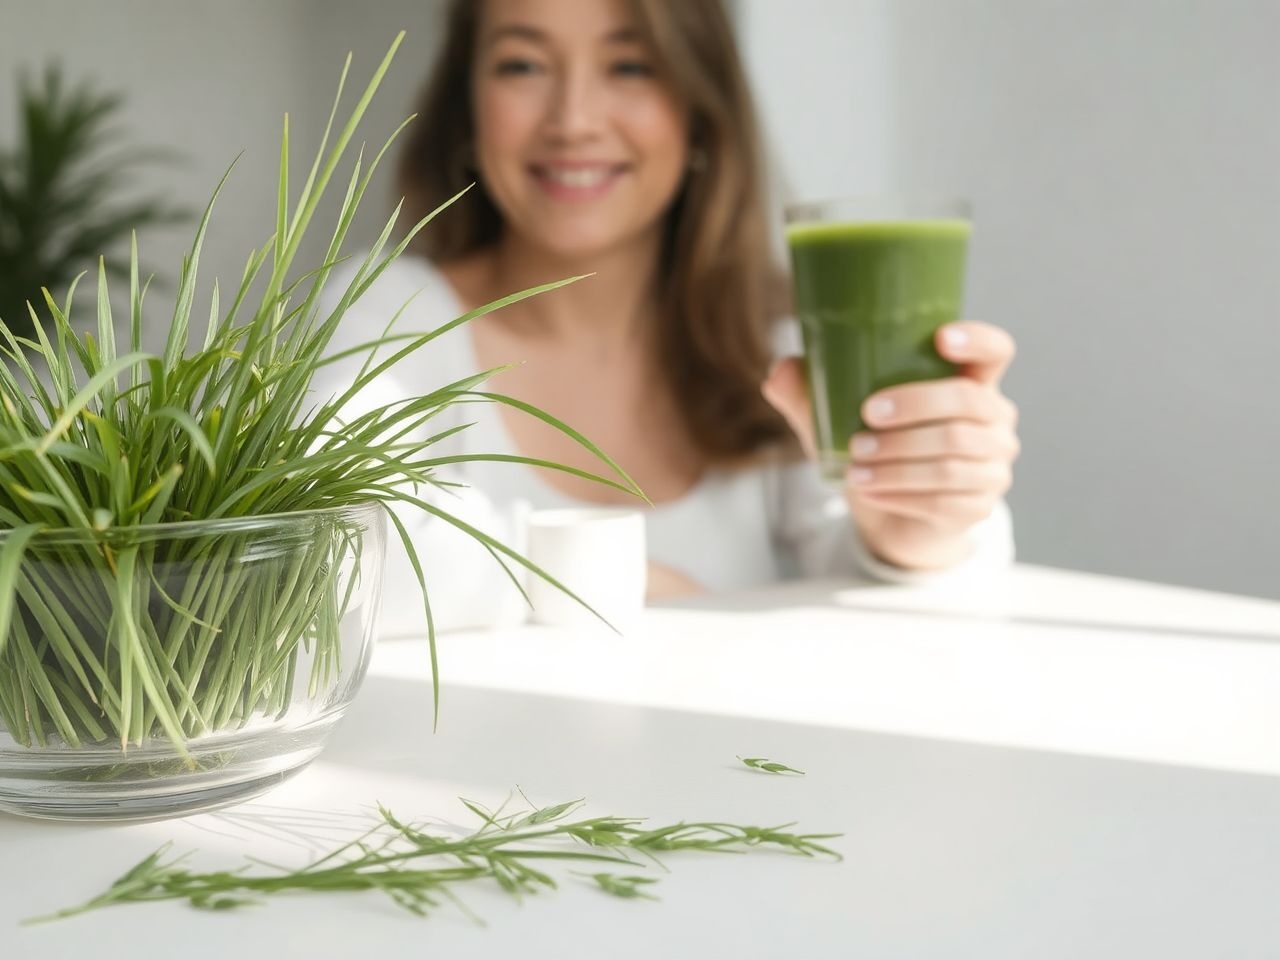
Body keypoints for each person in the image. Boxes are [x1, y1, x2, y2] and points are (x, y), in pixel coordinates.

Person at [318, 0, 1019, 630]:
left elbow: (892, 619)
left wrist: (913, 534)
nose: (574, 120)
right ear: (465, 110)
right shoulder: (390, 315)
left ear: (700, 109)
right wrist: (618, 581)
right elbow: (322, 551)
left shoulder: (780, 341)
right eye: (522, 64)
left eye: (630, 64)